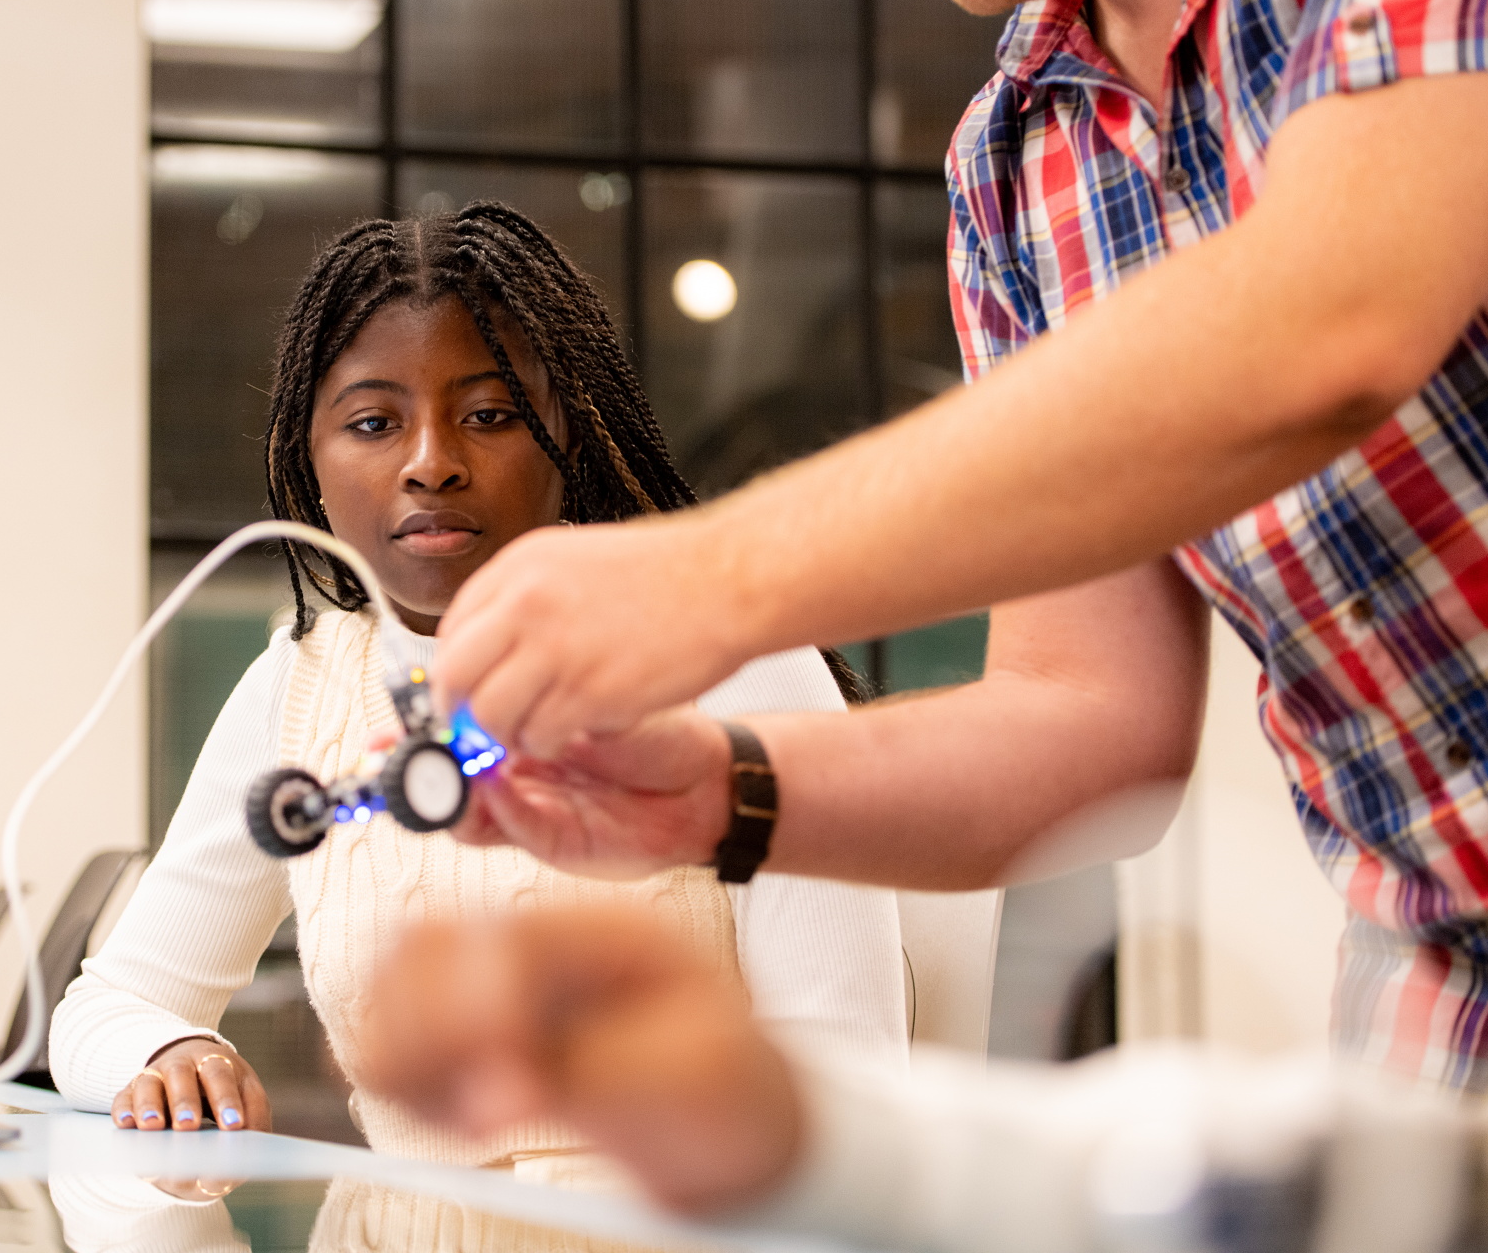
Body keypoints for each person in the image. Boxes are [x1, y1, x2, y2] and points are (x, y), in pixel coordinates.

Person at [418, 0, 1488, 1095]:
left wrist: (702, 579)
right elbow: (1088, 719)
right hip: (1437, 981)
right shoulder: (1012, 164)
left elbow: (1332, 322)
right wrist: (707, 794)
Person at [47, 202, 905, 1171]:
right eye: (373, 423)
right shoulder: (300, 686)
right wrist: (167, 1049)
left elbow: (845, 1077)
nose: (430, 464)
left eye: (490, 416)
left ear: (569, 432)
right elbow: (107, 1006)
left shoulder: (731, 659)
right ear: (308, 458)